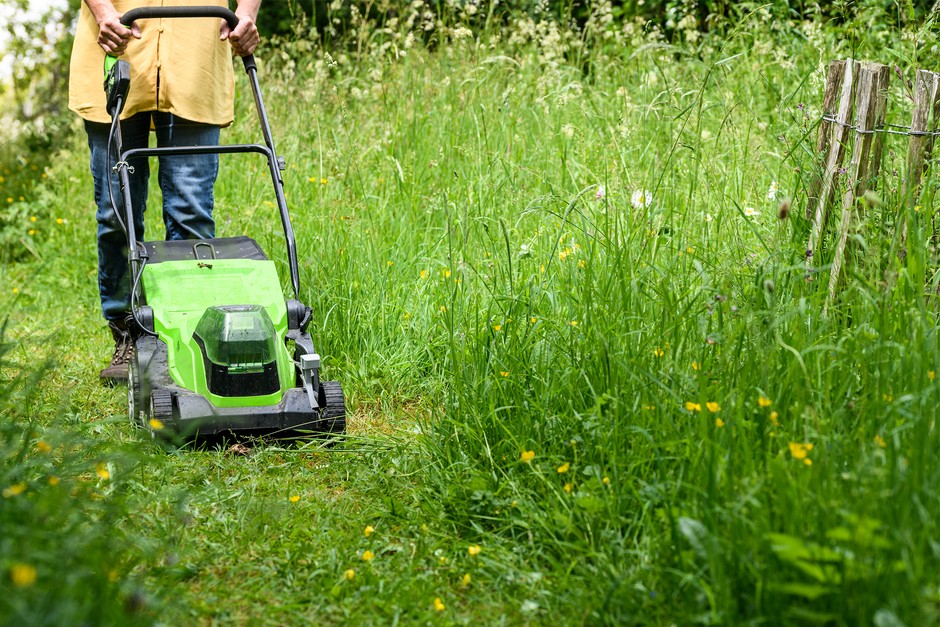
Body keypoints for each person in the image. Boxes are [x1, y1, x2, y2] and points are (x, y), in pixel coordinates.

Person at [68, 0, 260, 383]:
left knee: (191, 211)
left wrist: (249, 13)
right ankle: (128, 332)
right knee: (116, 213)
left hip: (196, 55)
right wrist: (103, 12)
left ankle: (187, 336)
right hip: (116, 48)